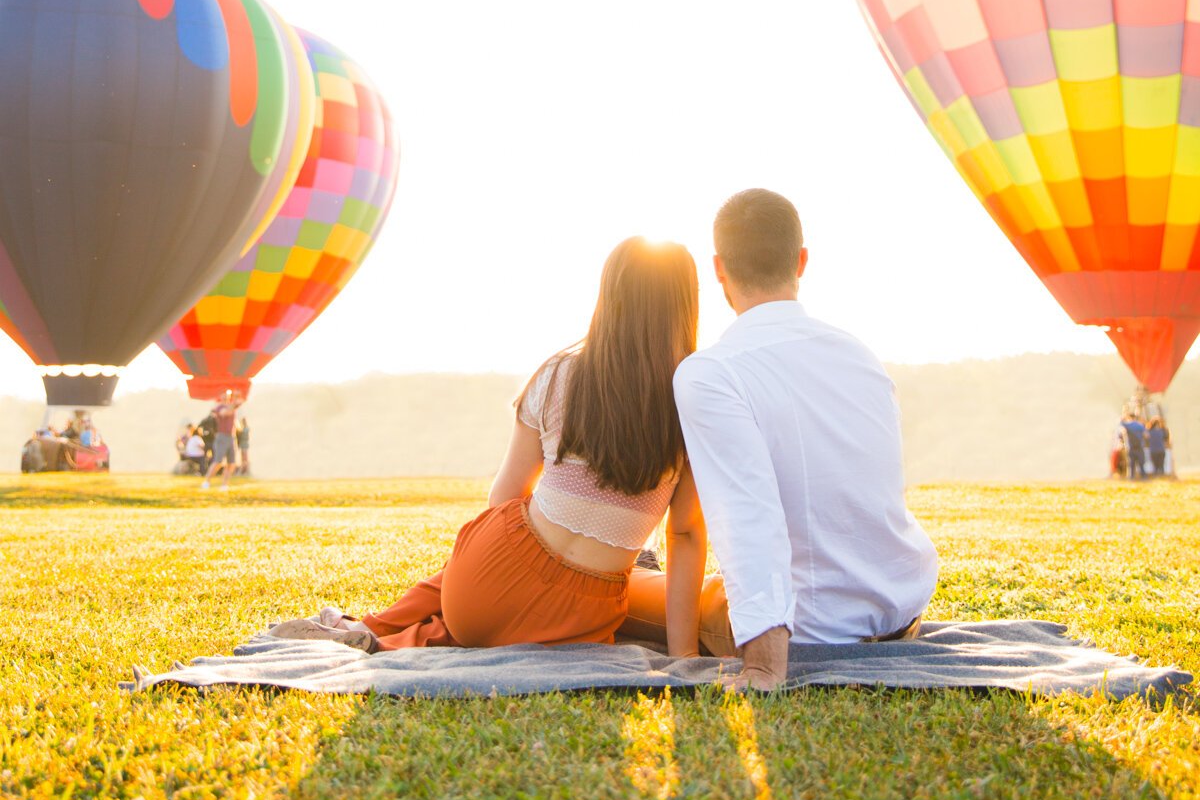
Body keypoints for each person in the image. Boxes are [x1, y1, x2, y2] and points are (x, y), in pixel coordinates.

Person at [271, 238, 724, 656]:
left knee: (492, 561)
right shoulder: (693, 399)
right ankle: (391, 637)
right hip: (583, 613)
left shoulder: (555, 375)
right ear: (686, 303)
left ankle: (375, 626)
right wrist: (683, 658)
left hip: (480, 587)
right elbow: (683, 534)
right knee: (516, 609)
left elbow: (503, 497)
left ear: (609, 296)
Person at [668, 189, 939, 694]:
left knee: (640, 596)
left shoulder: (710, 373)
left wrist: (765, 667)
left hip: (812, 633)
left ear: (719, 269)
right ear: (801, 261)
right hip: (902, 610)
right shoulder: (860, 355)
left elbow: (748, 515)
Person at [202, 398, 241, 490]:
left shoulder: (232, 406)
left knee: (231, 463)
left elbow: (238, 404)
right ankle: (206, 482)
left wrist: (237, 400)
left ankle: (224, 485)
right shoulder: (219, 407)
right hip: (222, 437)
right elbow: (226, 413)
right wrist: (234, 404)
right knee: (218, 461)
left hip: (231, 437)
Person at [1121, 410, 1147, 481]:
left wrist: (1124, 415)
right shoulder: (1140, 425)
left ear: (1129, 417)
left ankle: (1131, 478)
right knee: (1141, 463)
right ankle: (1144, 477)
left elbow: (1120, 423)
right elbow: (1146, 435)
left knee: (1131, 464)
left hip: (1130, 447)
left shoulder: (1127, 425)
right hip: (1139, 446)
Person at [236, 412, 251, 478]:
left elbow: (246, 437)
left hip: (244, 444)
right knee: (243, 459)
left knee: (245, 458)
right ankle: (243, 470)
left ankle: (246, 470)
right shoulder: (242, 429)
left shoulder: (246, 429)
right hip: (242, 445)